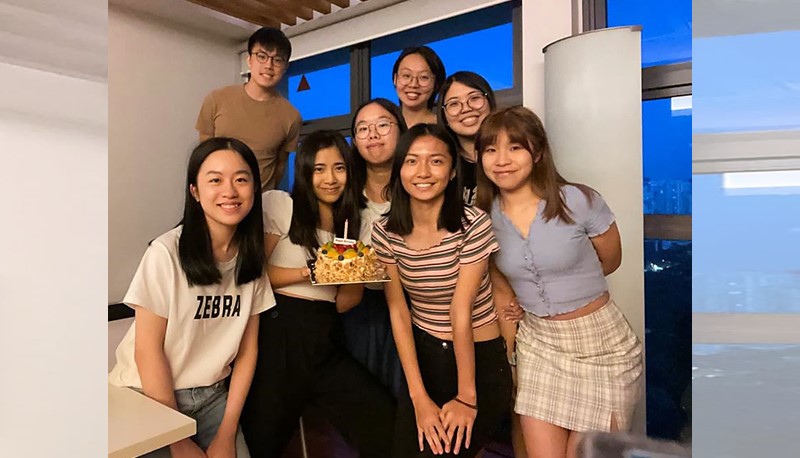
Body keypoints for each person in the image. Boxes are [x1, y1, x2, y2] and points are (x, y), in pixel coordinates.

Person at [475, 106, 644, 458]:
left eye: (515, 147)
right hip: (541, 346)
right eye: (491, 150)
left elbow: (611, 260)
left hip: (603, 346)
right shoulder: (482, 218)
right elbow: (499, 283)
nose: (501, 160)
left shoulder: (579, 200)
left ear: (537, 153)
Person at [108, 137, 274, 457]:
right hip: (145, 396)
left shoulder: (251, 262)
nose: (229, 191)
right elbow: (147, 350)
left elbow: (248, 351)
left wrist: (227, 433)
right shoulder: (166, 253)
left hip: (213, 398)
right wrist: (178, 440)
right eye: (215, 180)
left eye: (241, 179)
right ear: (195, 192)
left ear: (254, 189)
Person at [240, 130, 395, 458]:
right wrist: (311, 273)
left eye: (339, 168)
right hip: (277, 335)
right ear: (305, 171)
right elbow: (252, 276)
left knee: (383, 418)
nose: (330, 178)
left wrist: (358, 275)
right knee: (263, 440)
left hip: (325, 336)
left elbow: (342, 303)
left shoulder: (350, 226)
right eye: (319, 169)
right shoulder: (282, 205)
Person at [371, 124, 513, 458]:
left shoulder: (473, 223)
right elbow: (398, 311)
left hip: (479, 359)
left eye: (436, 161)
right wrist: (418, 398)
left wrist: (467, 397)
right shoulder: (385, 232)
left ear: (451, 173)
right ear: (399, 170)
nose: (423, 172)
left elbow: (459, 310)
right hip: (425, 354)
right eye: (412, 161)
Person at [340, 98, 408, 398]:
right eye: (363, 129)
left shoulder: (417, 186)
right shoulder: (344, 192)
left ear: (400, 130)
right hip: (359, 306)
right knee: (368, 396)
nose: (373, 134)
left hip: (412, 302)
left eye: (383, 125)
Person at [196, 27, 302, 192]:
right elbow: (203, 156)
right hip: (216, 198)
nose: (269, 65)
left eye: (277, 60)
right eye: (262, 56)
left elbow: (280, 166)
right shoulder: (217, 99)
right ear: (249, 60)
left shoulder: (291, 116)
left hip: (259, 204)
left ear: (285, 66)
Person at [437, 71, 496, 208]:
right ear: (443, 115)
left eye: (474, 98)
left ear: (489, 101)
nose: (466, 109)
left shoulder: (511, 156)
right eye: (454, 104)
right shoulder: (440, 163)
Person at [393, 46, 446, 127]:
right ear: (395, 79)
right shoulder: (385, 127)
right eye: (406, 76)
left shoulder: (444, 128)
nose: (413, 84)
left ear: (436, 84)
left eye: (423, 77)